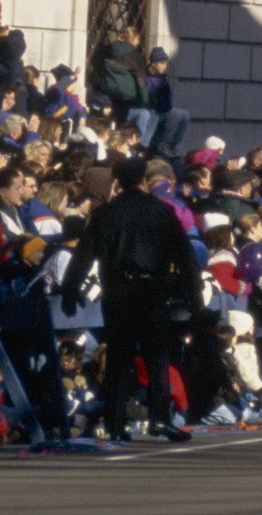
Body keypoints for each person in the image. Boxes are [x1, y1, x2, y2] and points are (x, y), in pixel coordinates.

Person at [55, 156, 198, 441]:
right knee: (157, 356)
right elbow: (184, 255)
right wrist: (191, 292)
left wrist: (70, 291)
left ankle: (116, 423)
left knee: (119, 358)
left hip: (117, 291)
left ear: (117, 181)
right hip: (152, 289)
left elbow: (83, 257)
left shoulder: (105, 214)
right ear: (144, 178)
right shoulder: (161, 211)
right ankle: (160, 418)